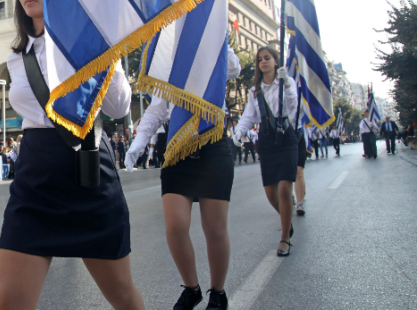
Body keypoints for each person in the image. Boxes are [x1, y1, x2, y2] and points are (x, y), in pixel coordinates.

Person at [0, 0, 145, 309]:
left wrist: (102, 48)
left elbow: (119, 108)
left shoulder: (90, 40)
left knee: (122, 295)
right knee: (9, 301)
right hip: (35, 177)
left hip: (87, 170)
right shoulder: (18, 55)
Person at [125, 45, 240, 310]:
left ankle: (218, 293)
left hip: (212, 144)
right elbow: (157, 109)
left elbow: (233, 69)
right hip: (177, 147)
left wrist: (218, 30)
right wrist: (139, 142)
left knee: (215, 228)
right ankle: (192, 288)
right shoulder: (168, 56)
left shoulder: (210, 37)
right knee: (175, 226)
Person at [233, 46, 299, 257]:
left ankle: (285, 238)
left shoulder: (286, 83)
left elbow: (293, 107)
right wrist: (239, 131)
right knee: (271, 194)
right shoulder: (255, 90)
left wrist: (286, 83)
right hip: (267, 140)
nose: (263, 62)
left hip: (286, 136)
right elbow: (249, 115)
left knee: (284, 189)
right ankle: (286, 220)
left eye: (267, 58)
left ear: (276, 62)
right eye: (260, 59)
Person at [295, 128, 309, 216]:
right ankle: (290, 194)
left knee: (299, 172)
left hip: (299, 138)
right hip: (283, 140)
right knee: (286, 173)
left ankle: (300, 203)